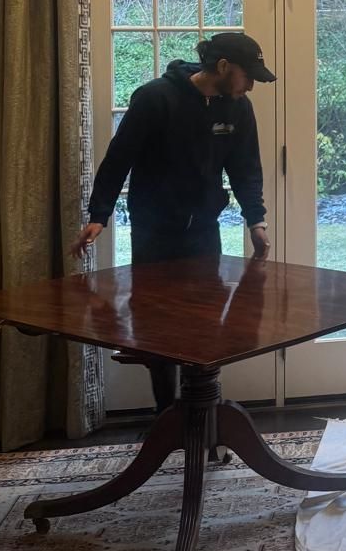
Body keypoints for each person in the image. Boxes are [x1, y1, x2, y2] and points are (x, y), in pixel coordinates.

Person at [70, 31, 275, 410]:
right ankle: (167, 418)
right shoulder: (155, 98)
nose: (250, 87)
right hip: (154, 232)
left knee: (208, 326)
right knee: (156, 331)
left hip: (203, 233)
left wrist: (256, 222)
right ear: (224, 67)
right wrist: (99, 215)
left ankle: (204, 420)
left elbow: (246, 169)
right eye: (248, 77)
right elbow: (119, 159)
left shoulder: (238, 109)